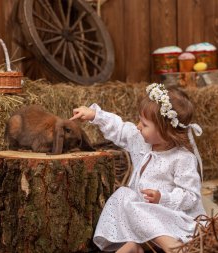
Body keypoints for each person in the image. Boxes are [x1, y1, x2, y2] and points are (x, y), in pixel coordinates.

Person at [70, 83, 206, 253]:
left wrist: (162, 198)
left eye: (144, 124)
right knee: (124, 195)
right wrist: (95, 115)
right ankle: (135, 245)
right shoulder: (140, 140)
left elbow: (191, 196)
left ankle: (172, 246)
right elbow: (120, 129)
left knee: (137, 209)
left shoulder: (182, 158)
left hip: (169, 216)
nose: (138, 126)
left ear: (166, 131)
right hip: (141, 213)